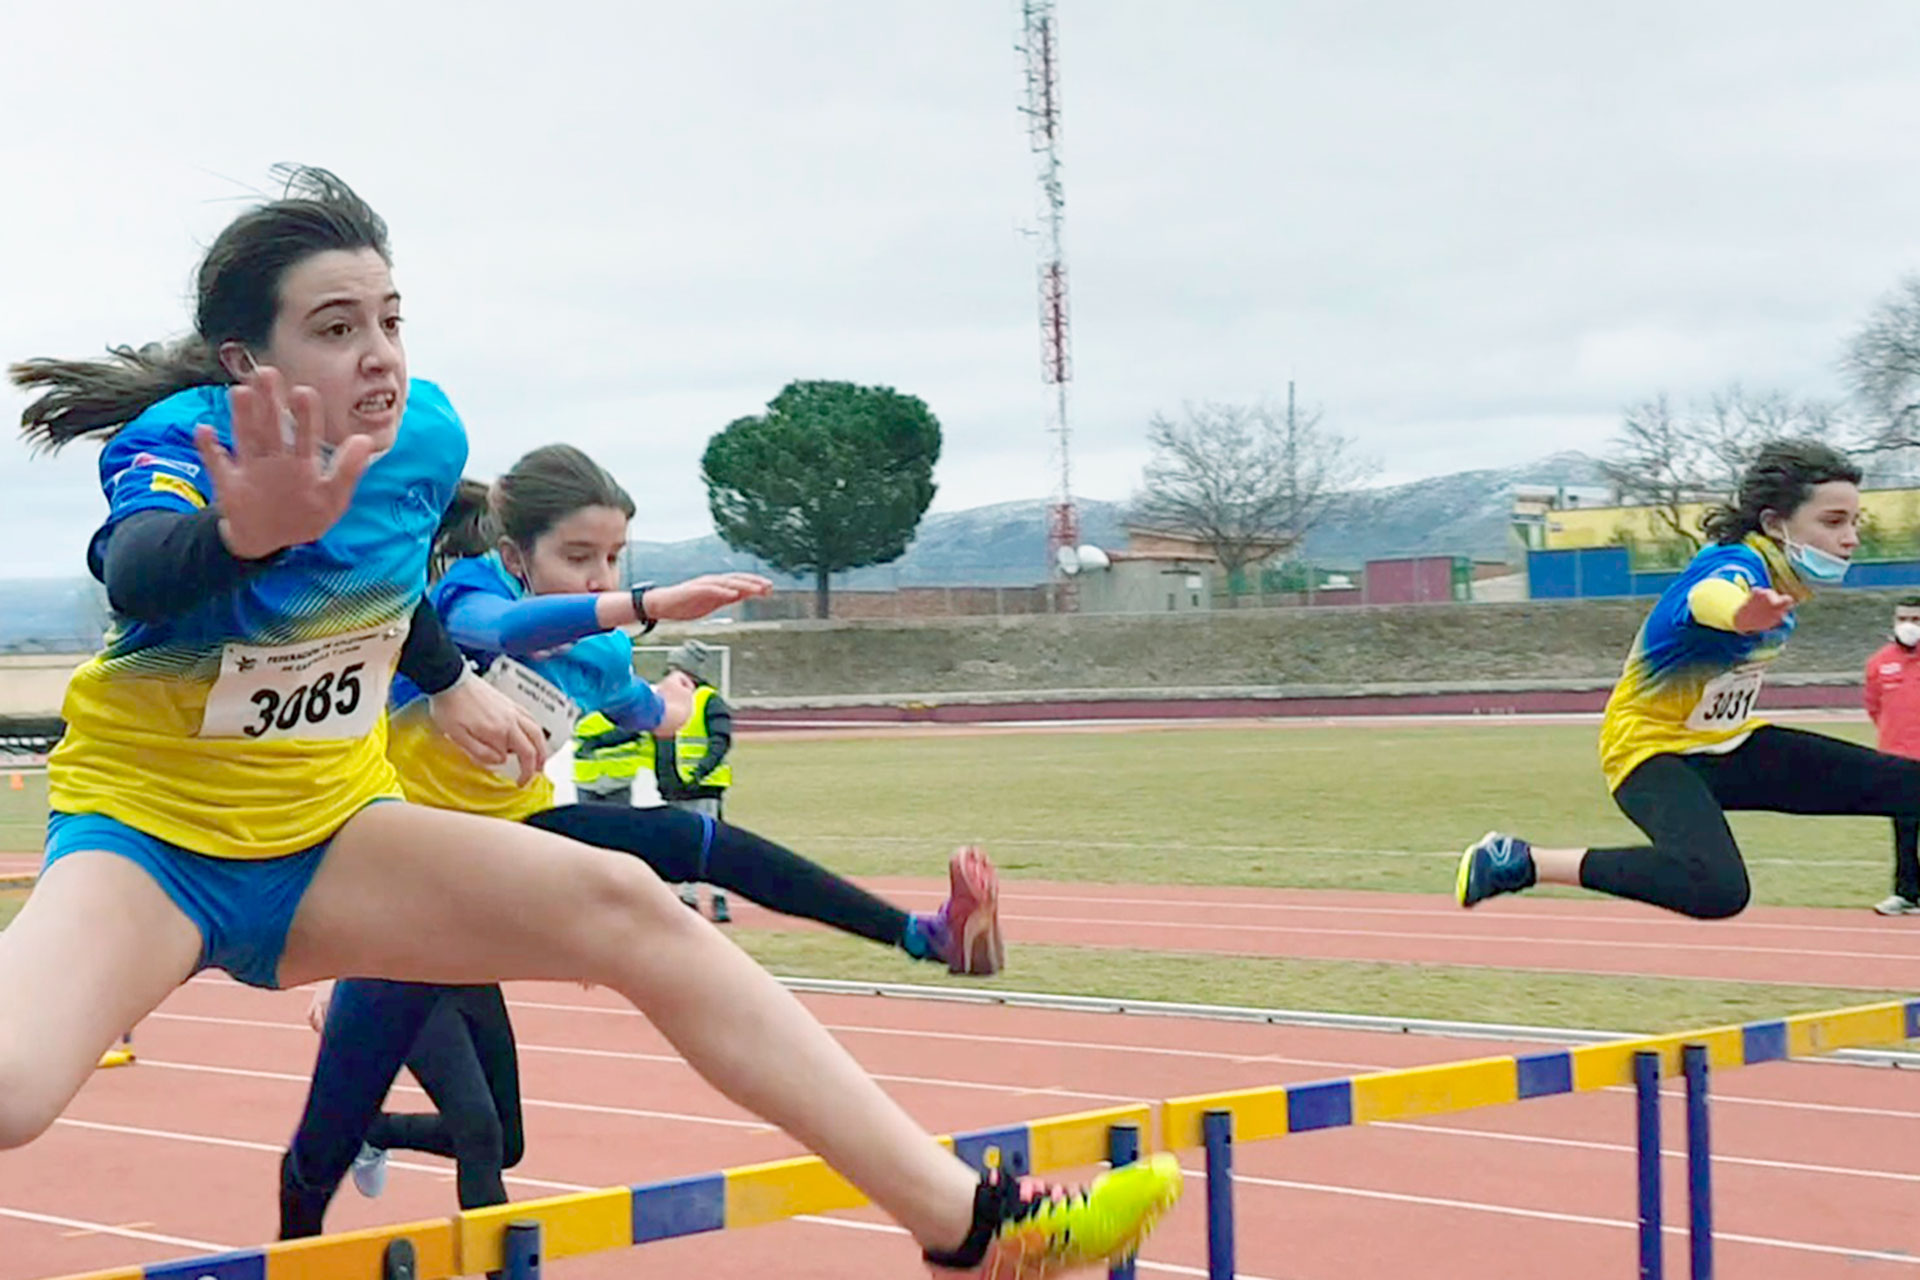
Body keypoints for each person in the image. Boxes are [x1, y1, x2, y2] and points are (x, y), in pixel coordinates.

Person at [5, 166, 1177, 1277]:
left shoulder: (424, 436)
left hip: (325, 835)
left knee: (633, 907)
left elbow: (385, 578)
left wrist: (448, 677)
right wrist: (242, 528)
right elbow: (140, 569)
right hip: (155, 842)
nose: (379, 356)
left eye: (391, 318)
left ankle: (972, 1226)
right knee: (13, 1092)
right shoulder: (184, 443)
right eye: (336, 326)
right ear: (244, 358)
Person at [291, 443, 1007, 1221]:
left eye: (613, 558)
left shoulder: (599, 652)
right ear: (514, 556)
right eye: (577, 557)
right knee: (329, 1146)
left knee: (685, 838)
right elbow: (505, 628)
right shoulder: (470, 595)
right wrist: (643, 602)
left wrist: (670, 700)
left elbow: (646, 712)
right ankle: (298, 1234)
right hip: (402, 875)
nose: (599, 576)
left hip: (512, 840)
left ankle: (926, 936)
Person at [1457, 439, 1920, 920]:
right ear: (1774, 522)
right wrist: (1741, 614)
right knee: (1717, 890)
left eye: (1854, 522)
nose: (1851, 538)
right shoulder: (1734, 565)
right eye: (1833, 522)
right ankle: (1521, 862)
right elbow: (1708, 597)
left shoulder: (1783, 580)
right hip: (1652, 752)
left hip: (1726, 744)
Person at [653, 639, 733, 921]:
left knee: (710, 843)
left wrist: (700, 772)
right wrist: (664, 779)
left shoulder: (709, 700)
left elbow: (720, 740)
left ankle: (719, 898)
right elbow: (661, 743)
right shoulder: (666, 700)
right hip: (677, 785)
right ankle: (688, 899)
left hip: (704, 786)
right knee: (685, 844)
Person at [1865, 596, 1920, 915]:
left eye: (1915, 618)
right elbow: (1874, 706)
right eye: (1903, 618)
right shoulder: (1879, 662)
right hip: (1897, 761)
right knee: (1905, 832)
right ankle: (1906, 893)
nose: (1909, 625)